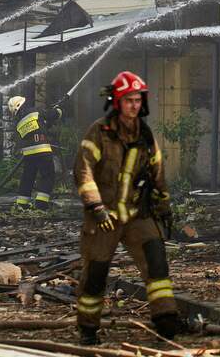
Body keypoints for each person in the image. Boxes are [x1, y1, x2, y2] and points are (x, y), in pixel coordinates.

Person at [72, 71, 178, 346]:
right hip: (104, 216)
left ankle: (166, 321)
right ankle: (87, 328)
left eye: (138, 99)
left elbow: (157, 172)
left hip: (136, 214)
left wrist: (164, 205)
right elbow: (83, 172)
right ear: (117, 102)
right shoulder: (99, 132)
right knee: (95, 274)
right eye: (129, 100)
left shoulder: (145, 134)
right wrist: (95, 207)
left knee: (156, 262)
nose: (134, 105)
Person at [7, 94, 63, 211]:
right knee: (47, 176)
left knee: (28, 177)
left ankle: (22, 204)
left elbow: (38, 128)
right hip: (42, 150)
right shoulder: (34, 111)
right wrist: (57, 110)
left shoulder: (17, 122)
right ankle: (41, 205)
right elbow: (51, 115)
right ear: (23, 104)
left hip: (28, 154)